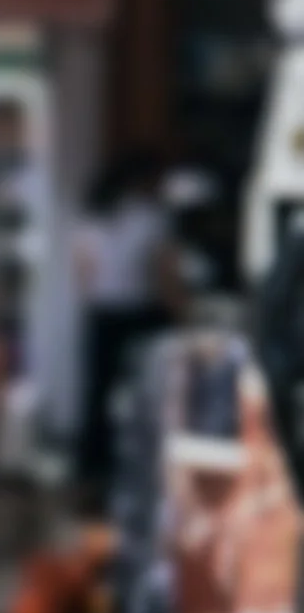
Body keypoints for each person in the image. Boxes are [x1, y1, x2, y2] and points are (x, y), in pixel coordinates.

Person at [73, 146, 180, 495]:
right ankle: (147, 457)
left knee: (97, 390)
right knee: (151, 389)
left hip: (102, 311)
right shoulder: (151, 217)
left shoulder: (94, 214)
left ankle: (92, 464)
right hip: (139, 312)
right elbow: (163, 272)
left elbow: (84, 269)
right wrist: (182, 311)